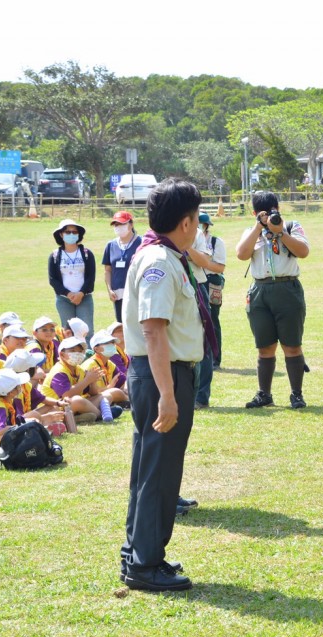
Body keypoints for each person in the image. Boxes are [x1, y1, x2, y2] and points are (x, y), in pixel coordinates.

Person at [119, 178, 206, 592]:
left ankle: (140, 550)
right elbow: (154, 331)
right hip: (161, 376)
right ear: (187, 222)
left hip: (159, 374)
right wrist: (168, 396)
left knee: (149, 466)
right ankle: (144, 564)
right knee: (160, 470)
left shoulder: (166, 255)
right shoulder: (160, 261)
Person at [237, 192, 310, 409]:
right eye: (264, 213)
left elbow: (303, 251)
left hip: (288, 288)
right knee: (264, 347)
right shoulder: (252, 232)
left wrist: (281, 233)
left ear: (279, 208)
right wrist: (258, 228)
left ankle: (296, 394)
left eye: (273, 211)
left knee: (292, 345)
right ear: (255, 214)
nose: (270, 216)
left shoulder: (292, 227)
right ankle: (264, 394)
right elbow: (241, 254)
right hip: (260, 290)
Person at [187, 212, 226, 408]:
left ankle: (201, 396)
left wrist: (186, 248)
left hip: (202, 285)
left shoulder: (203, 237)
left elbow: (208, 263)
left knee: (207, 334)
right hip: (178, 285)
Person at [48, 218, 95, 334]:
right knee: (68, 331)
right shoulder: (54, 255)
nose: (71, 234)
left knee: (86, 331)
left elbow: (91, 277)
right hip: (64, 299)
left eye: (74, 232)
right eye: (68, 232)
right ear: (61, 234)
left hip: (84, 298)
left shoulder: (87, 253)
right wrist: (68, 294)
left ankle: (87, 352)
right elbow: (53, 279)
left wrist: (81, 293)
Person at [41, 336, 102, 421]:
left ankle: (76, 417)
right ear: (62, 354)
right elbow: (67, 394)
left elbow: (93, 393)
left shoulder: (79, 369)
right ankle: (102, 415)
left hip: (69, 406)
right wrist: (87, 380)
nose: (77, 354)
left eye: (80, 351)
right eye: (73, 351)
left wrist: (92, 382)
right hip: (54, 408)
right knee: (77, 400)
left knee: (102, 396)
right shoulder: (59, 371)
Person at [102, 210, 142, 323]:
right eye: (116, 224)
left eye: (122, 224)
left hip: (136, 293)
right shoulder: (110, 245)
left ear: (131, 224)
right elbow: (108, 270)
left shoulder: (142, 243)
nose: (118, 227)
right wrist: (109, 290)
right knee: (121, 325)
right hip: (118, 295)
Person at [82, 329, 128, 409]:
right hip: (87, 400)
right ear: (96, 349)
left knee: (123, 390)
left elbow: (123, 381)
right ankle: (130, 402)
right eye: (107, 343)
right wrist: (109, 388)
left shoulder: (110, 364)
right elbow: (91, 393)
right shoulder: (90, 365)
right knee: (115, 392)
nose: (112, 345)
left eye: (113, 342)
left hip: (102, 396)